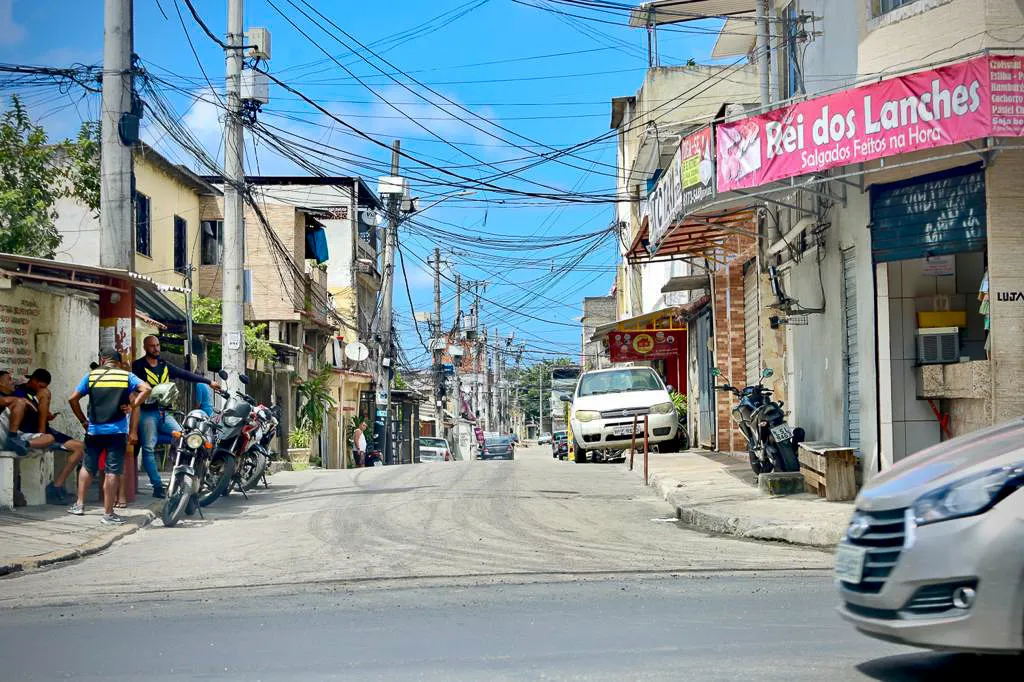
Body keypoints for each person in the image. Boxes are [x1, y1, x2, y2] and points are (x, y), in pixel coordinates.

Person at [67, 351, 151, 524]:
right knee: (112, 471)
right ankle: (108, 514)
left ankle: (79, 505)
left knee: (88, 467)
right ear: (119, 362)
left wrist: (83, 420)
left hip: (94, 431)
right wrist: (133, 404)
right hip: (117, 432)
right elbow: (147, 389)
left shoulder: (91, 376)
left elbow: (73, 399)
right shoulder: (127, 376)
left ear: (102, 360)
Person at [132, 336, 218, 498]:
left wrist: (208, 381)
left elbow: (185, 374)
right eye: (152, 346)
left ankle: (181, 477)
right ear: (145, 347)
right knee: (148, 449)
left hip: (165, 413)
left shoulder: (164, 365)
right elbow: (130, 388)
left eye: (157, 345)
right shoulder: (138, 366)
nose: (156, 348)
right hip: (147, 413)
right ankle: (157, 486)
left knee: (186, 439)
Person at [11, 368, 85, 503]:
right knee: (45, 394)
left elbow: (41, 411)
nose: (42, 389)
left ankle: (56, 486)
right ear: (32, 380)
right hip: (28, 431)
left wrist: (47, 414)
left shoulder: (39, 393)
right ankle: (41, 435)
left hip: (47, 431)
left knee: (80, 448)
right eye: (40, 386)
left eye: (44, 387)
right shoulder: (19, 391)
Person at [0, 370, 54, 454]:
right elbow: (3, 401)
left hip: (14, 434)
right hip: (2, 432)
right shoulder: (13, 398)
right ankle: (12, 438)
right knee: (20, 402)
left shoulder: (15, 395)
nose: (13, 381)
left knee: (49, 438)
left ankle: (23, 444)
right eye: (9, 379)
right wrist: (22, 401)